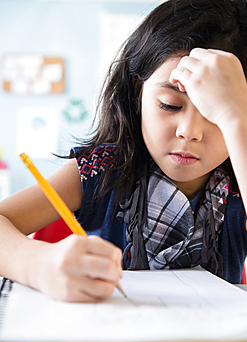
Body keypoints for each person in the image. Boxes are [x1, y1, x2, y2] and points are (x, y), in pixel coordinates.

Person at [0, 0, 247, 302]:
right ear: (137, 90)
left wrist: (237, 123)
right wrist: (36, 264)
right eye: (170, 105)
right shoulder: (104, 169)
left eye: (215, 113)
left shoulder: (237, 184)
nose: (189, 131)